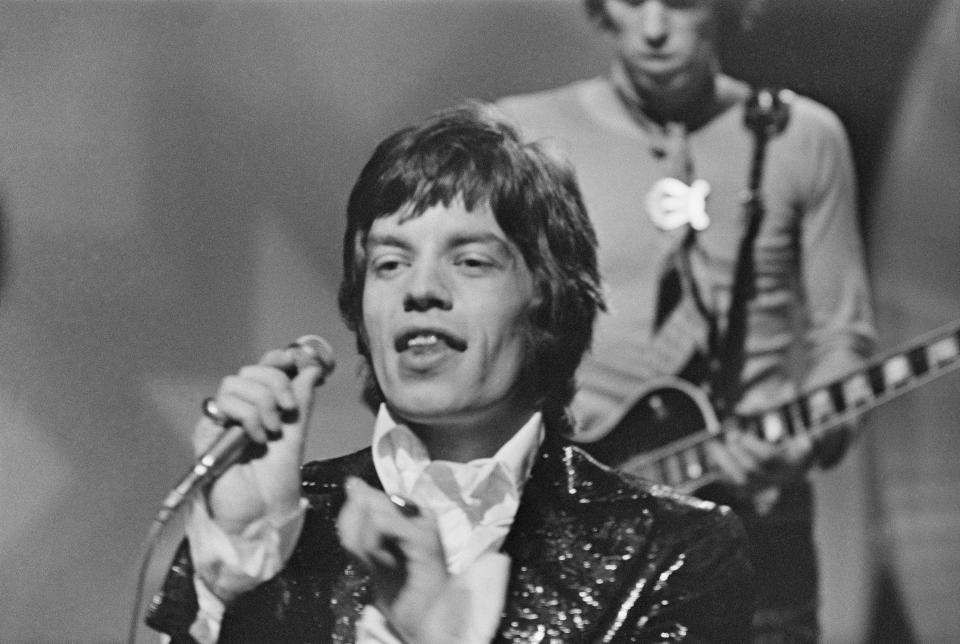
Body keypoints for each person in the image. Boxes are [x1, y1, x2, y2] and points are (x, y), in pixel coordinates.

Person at [145, 103, 754, 643]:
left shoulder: (670, 547)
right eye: (389, 262)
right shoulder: (273, 524)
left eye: (470, 261)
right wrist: (242, 569)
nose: (421, 290)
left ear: (548, 294)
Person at [496, 1, 875, 641]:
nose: (652, 27)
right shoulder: (520, 135)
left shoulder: (804, 136)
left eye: (679, 1)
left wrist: (807, 435)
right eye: (629, 0)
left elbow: (845, 337)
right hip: (578, 517)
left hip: (757, 524)